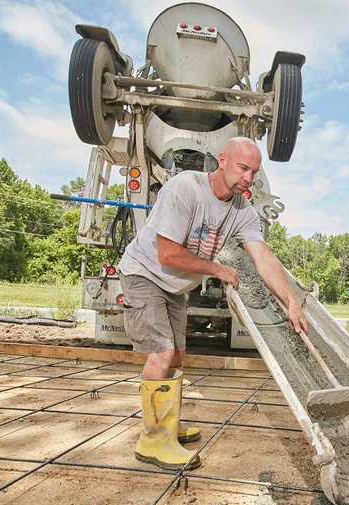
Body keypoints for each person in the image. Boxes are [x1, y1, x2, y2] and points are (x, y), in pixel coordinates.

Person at [118, 137, 308, 472]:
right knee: (161, 353)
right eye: (242, 167)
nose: (248, 177)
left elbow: (262, 256)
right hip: (144, 274)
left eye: (254, 171)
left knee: (176, 356)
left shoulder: (242, 210)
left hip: (174, 287)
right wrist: (218, 269)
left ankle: (167, 426)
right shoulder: (185, 189)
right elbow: (167, 254)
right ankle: (152, 440)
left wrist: (290, 300)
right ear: (222, 161)